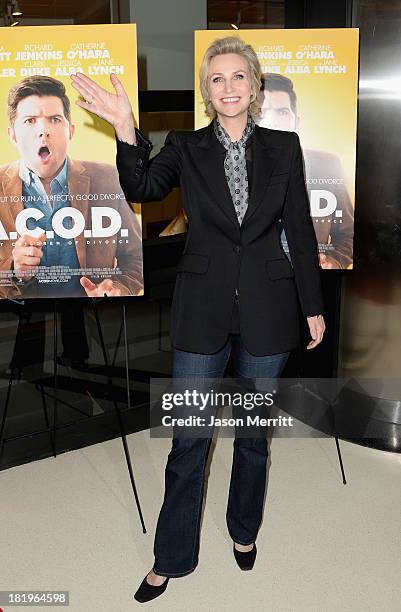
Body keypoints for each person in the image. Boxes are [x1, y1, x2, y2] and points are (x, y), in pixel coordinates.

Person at [70, 36, 325, 603]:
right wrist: (123, 127)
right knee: (188, 440)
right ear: (206, 91)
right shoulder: (184, 146)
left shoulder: (285, 147)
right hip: (202, 308)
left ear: (255, 86)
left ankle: (243, 530)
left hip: (268, 305)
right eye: (217, 79)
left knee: (252, 435)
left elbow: (300, 232)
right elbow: (143, 187)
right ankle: (171, 557)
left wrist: (312, 304)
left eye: (239, 77)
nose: (229, 87)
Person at [0, 75, 143, 299]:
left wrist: (118, 288)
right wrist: (15, 272)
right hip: (21, 321)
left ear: (71, 131)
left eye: (55, 119)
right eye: (30, 120)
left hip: (92, 318)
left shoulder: (109, 178)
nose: (43, 131)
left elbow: (135, 259)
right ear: (13, 135)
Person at [258, 73, 354, 269]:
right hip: (253, 286)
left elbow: (349, 234)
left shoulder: (326, 165)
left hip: (307, 283)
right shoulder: (232, 167)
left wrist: (333, 261)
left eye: (282, 112)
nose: (273, 121)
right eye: (262, 112)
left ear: (296, 121)